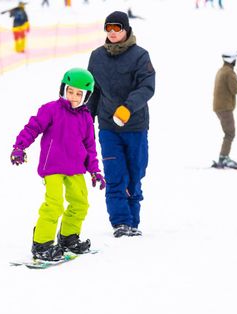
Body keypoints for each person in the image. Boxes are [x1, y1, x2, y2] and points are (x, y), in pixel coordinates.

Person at [10, 68, 105, 261]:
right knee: (54, 204)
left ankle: (68, 238)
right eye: (70, 91)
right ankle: (42, 244)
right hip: (52, 167)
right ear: (63, 89)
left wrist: (94, 171)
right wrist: (20, 147)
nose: (73, 97)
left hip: (76, 168)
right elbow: (33, 128)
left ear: (86, 97)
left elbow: (90, 146)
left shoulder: (86, 118)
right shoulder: (50, 109)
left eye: (79, 94)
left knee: (80, 203)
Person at [87, 11, 155, 238]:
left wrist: (128, 107)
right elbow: (93, 91)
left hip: (135, 125)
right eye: (109, 29)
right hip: (108, 127)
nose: (113, 33)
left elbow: (146, 87)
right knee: (115, 176)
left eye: (117, 28)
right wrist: (87, 119)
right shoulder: (97, 57)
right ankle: (121, 223)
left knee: (135, 174)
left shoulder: (140, 56)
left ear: (126, 30)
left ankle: (133, 221)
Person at [212, 51, 237, 169]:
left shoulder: (222, 70)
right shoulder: (229, 73)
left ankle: (224, 157)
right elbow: (235, 90)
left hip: (220, 106)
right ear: (231, 60)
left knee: (229, 132)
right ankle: (223, 157)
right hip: (225, 107)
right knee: (230, 133)